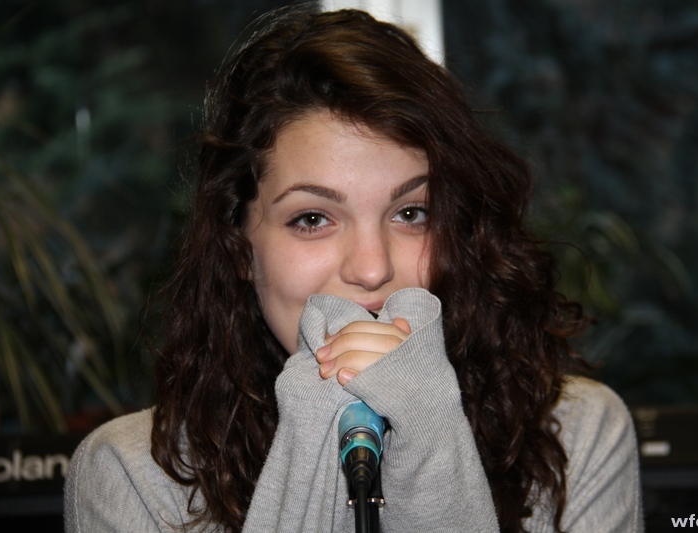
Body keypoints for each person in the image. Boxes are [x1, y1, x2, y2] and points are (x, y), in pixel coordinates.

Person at [64, 6, 643, 533]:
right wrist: (313, 432)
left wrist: (431, 435)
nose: (371, 270)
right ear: (240, 249)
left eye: (412, 213)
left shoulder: (577, 437)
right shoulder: (134, 477)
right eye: (313, 218)